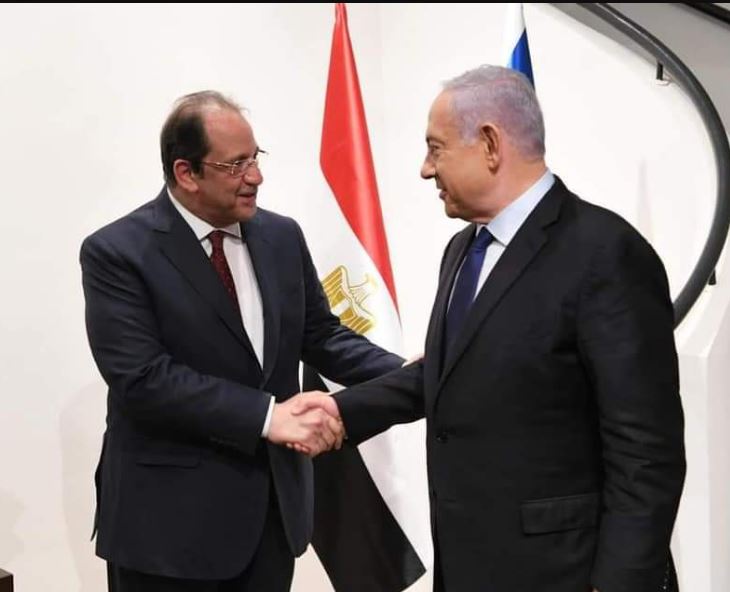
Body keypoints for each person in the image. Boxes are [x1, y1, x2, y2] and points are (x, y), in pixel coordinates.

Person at [293, 65, 686, 592]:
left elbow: (647, 451)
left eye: (435, 149)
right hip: (469, 565)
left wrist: (621, 583)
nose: (425, 170)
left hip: (564, 573)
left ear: (490, 144)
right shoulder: (463, 250)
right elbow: (450, 373)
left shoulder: (605, 252)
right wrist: (343, 410)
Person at [79, 90, 403, 591]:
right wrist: (268, 417)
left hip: (270, 520)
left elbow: (321, 335)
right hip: (166, 531)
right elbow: (142, 379)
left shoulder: (281, 237)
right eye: (236, 165)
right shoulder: (118, 253)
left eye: (255, 157)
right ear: (186, 173)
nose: (255, 176)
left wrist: (411, 373)